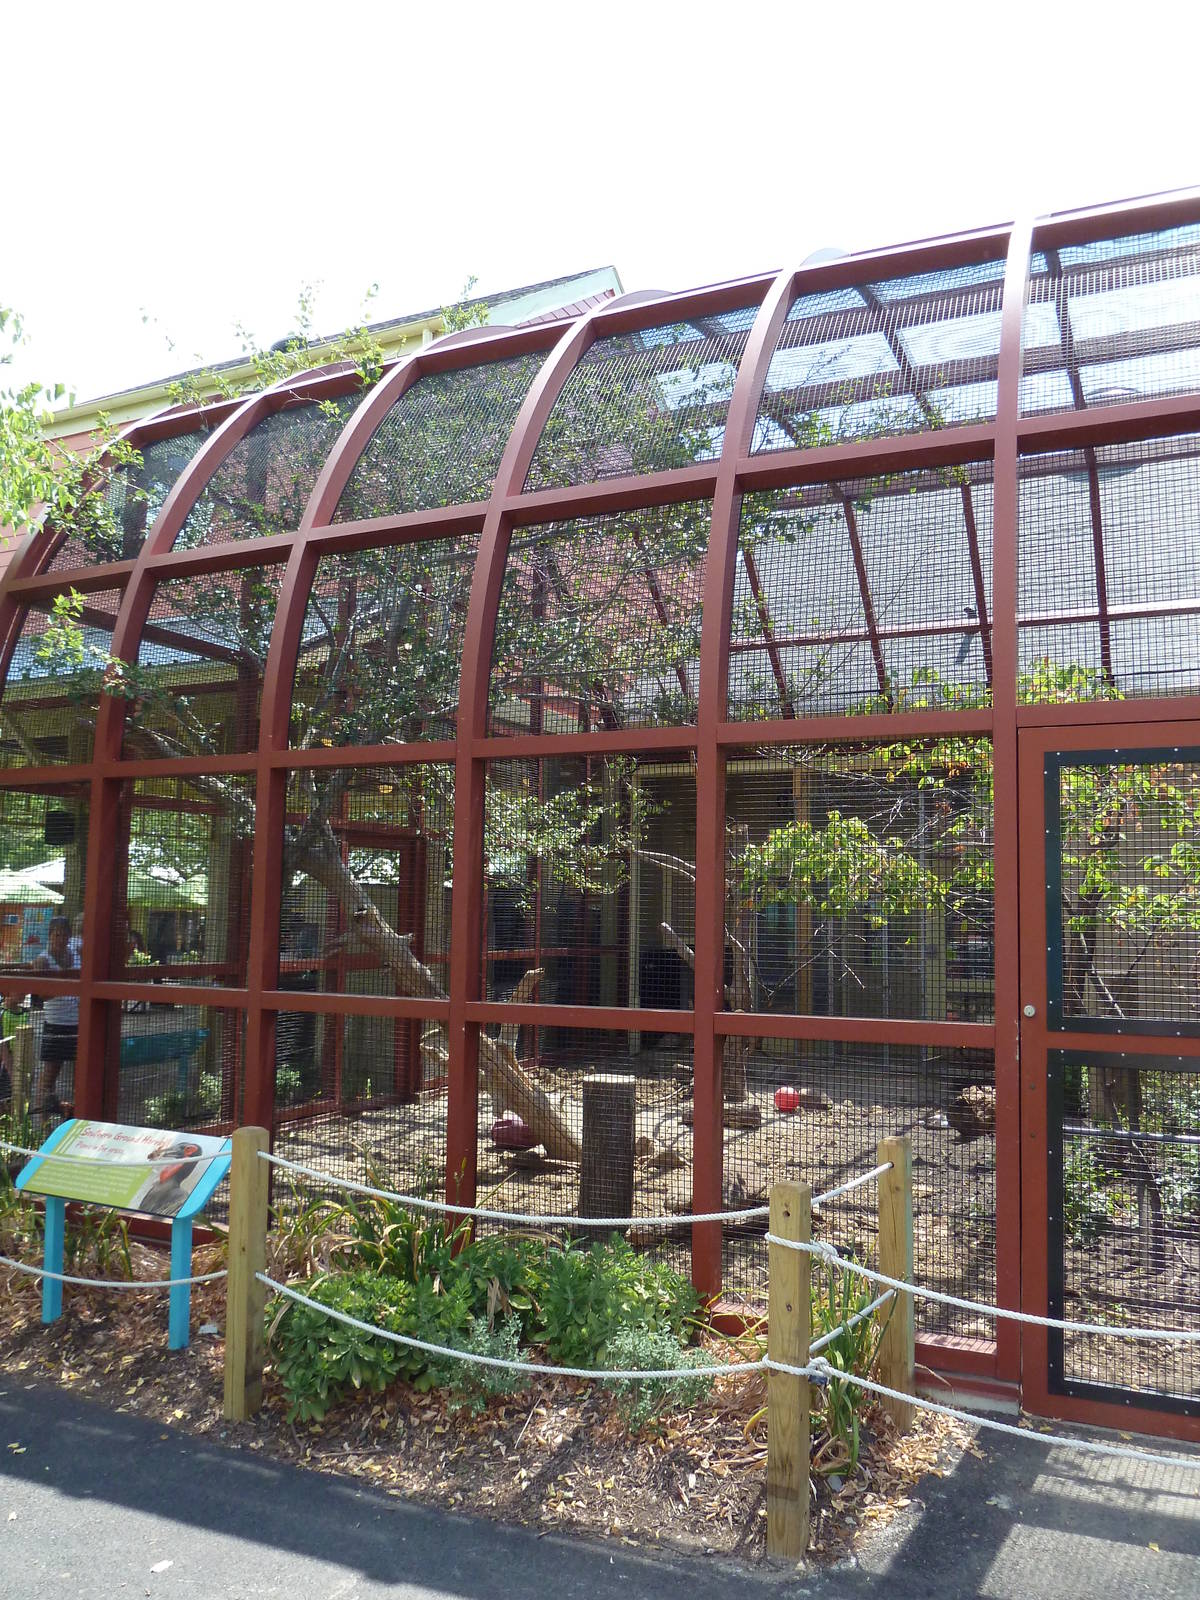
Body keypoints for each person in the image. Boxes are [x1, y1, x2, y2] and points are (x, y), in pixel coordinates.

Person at [30, 915, 79, 1120]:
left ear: (69, 936)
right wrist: (68, 986)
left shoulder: (76, 953)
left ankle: (77, 1119)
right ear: (50, 936)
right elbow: (42, 995)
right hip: (56, 1023)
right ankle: (43, 1124)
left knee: (80, 1073)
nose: (61, 939)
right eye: (56, 935)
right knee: (50, 1074)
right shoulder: (43, 960)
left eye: (64, 935)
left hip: (78, 1022)